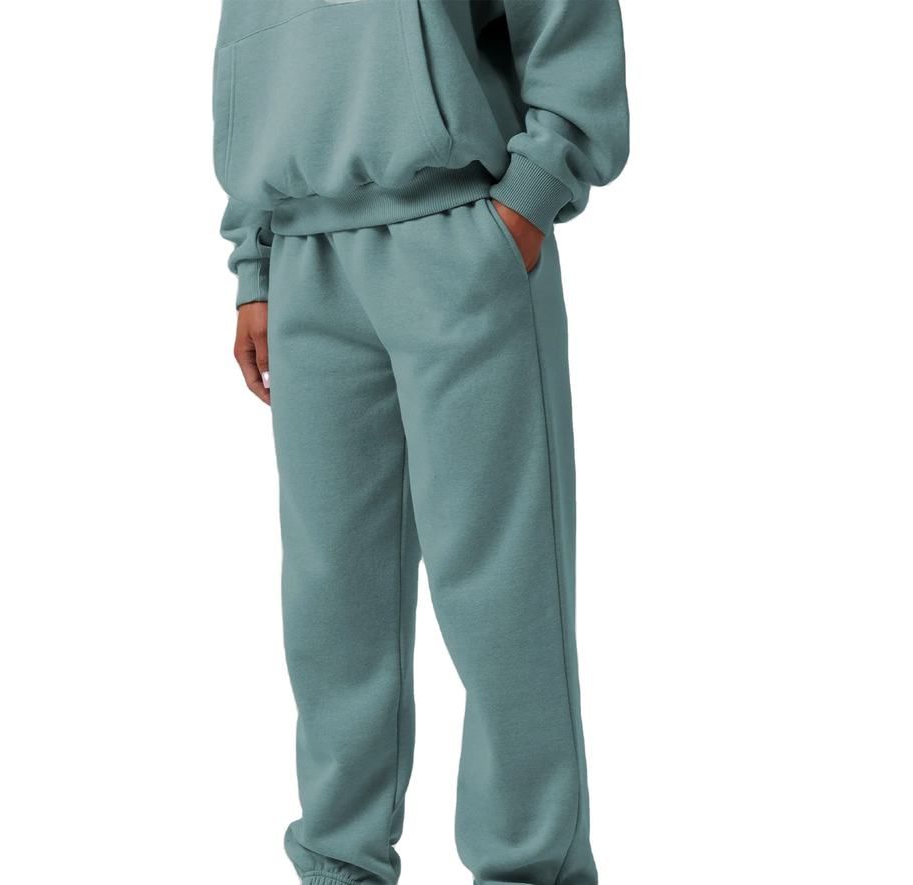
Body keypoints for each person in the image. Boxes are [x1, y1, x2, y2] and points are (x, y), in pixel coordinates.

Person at [213, 2, 629, 883]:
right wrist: (256, 260)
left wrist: (530, 196)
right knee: (332, 600)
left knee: (502, 594)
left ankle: (528, 870)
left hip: (455, 232)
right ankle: (338, 863)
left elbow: (564, 17)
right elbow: (256, 51)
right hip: (303, 254)